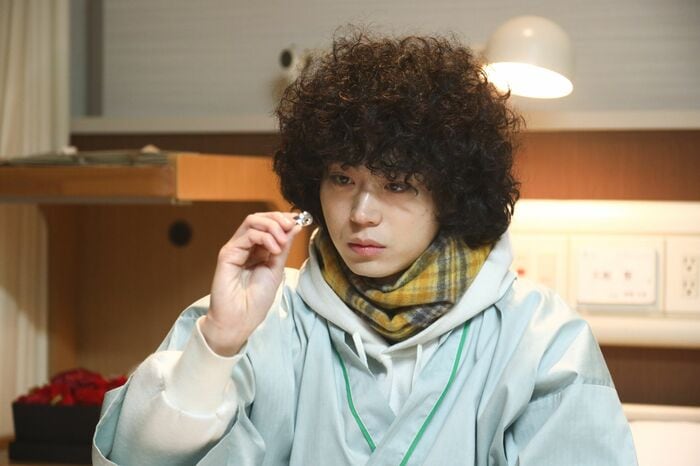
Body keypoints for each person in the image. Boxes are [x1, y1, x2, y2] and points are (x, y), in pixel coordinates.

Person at [92, 28, 638, 465]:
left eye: (397, 184)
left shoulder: (540, 341)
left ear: (450, 194)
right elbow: (138, 460)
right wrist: (219, 343)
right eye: (342, 179)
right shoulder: (260, 320)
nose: (360, 213)